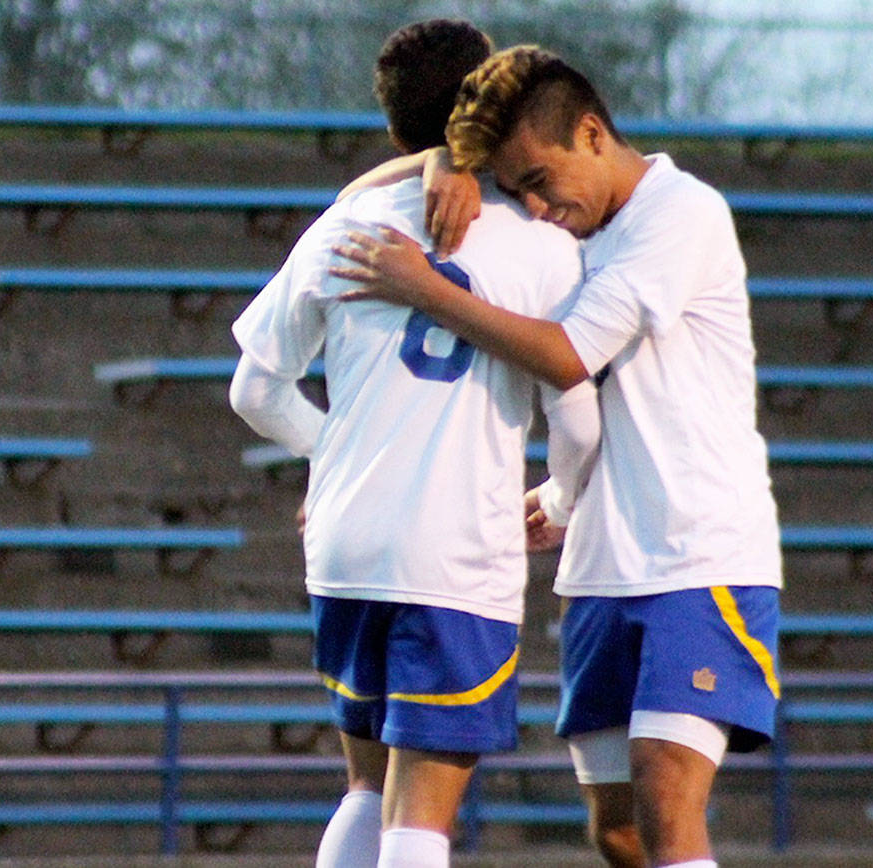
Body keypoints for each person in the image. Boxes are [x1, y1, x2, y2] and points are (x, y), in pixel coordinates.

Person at [331, 45, 783, 868]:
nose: (534, 206)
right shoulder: (572, 235)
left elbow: (571, 355)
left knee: (665, 793)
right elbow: (358, 195)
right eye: (517, 189)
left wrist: (430, 290)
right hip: (600, 563)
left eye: (539, 179)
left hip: (699, 553)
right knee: (615, 830)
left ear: (591, 131)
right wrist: (441, 164)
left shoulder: (682, 214)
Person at [229, 26, 600, 868]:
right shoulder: (544, 247)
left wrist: (341, 456)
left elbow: (253, 390)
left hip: (347, 543)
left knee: (366, 788)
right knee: (422, 813)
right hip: (455, 551)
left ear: (396, 129)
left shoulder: (345, 225)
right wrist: (560, 502)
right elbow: (578, 417)